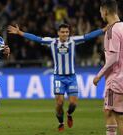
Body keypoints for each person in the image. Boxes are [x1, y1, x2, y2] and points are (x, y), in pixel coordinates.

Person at [8, 23, 107, 131]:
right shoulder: (52, 42)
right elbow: (36, 39)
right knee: (59, 103)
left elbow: (88, 36)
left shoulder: (73, 41)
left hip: (71, 77)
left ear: (69, 33)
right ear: (58, 33)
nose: (65, 34)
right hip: (58, 77)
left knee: (73, 103)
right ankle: (61, 122)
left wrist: (103, 29)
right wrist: (20, 32)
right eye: (62, 32)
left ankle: (69, 114)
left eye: (67, 32)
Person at [93, 0, 123, 134]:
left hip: (116, 79)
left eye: (101, 12)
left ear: (105, 11)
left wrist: (98, 75)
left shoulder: (112, 30)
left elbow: (113, 59)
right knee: (110, 112)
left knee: (116, 115)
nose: (101, 15)